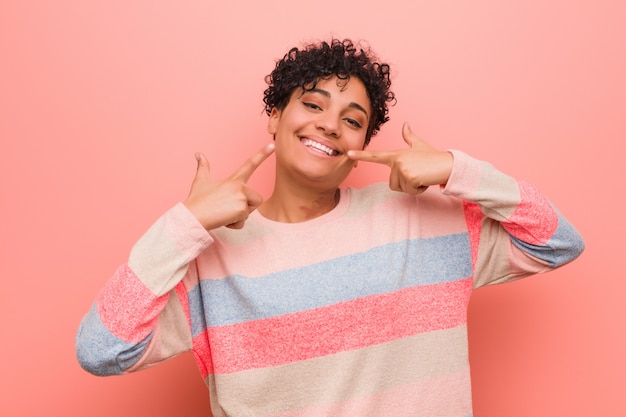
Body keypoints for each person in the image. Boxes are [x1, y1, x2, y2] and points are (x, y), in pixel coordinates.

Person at [76, 38, 585, 416]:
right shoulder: (211, 256)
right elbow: (101, 351)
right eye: (313, 104)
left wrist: (459, 169)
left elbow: (557, 242)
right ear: (275, 116)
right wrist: (184, 225)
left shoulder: (423, 222)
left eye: (352, 119)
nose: (329, 124)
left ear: (362, 142)